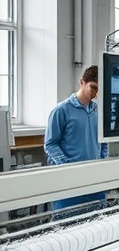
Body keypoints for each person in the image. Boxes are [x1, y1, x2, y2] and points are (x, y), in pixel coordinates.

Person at [44, 65, 108, 210]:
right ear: (82, 82)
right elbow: (50, 144)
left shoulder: (98, 112)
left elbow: (104, 141)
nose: (96, 94)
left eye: (99, 90)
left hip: (95, 181)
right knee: (68, 222)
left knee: (99, 221)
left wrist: (102, 162)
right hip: (69, 183)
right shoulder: (61, 110)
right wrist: (67, 167)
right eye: (93, 88)